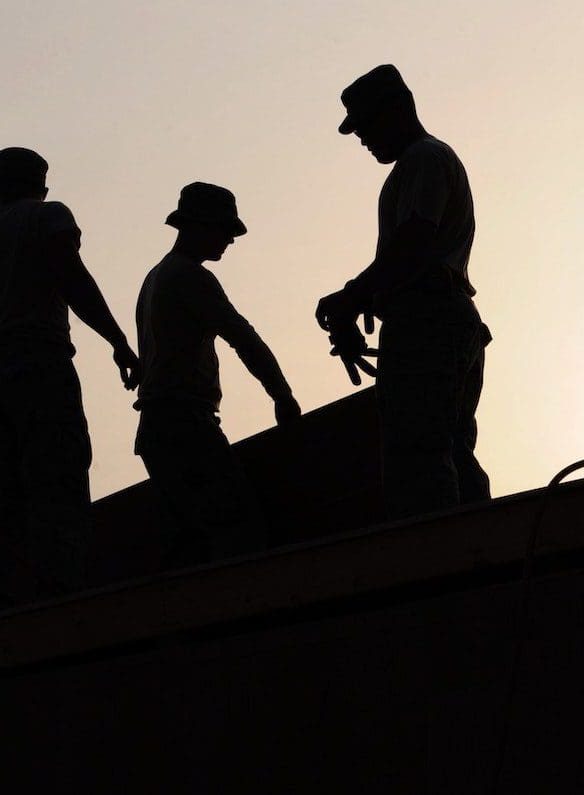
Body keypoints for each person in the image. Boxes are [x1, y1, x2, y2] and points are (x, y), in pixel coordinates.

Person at [0, 147, 141, 615]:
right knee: (58, 483)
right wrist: (118, 341)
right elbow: (73, 280)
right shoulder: (48, 216)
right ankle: (62, 599)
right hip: (39, 369)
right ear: (41, 186)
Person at [316, 64, 492, 520]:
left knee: (421, 458)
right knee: (449, 450)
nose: (362, 139)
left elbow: (415, 242)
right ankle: (483, 552)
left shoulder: (424, 159)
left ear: (397, 110)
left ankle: (443, 563)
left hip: (431, 323)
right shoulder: (416, 167)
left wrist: (353, 296)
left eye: (366, 126)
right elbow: (410, 259)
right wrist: (367, 303)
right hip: (438, 319)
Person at [134, 182, 301, 567]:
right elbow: (243, 338)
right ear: (198, 226)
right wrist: (282, 395)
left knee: (193, 542)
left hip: (159, 430)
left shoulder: (154, 277)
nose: (229, 240)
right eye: (224, 230)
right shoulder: (189, 277)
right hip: (184, 426)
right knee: (238, 529)